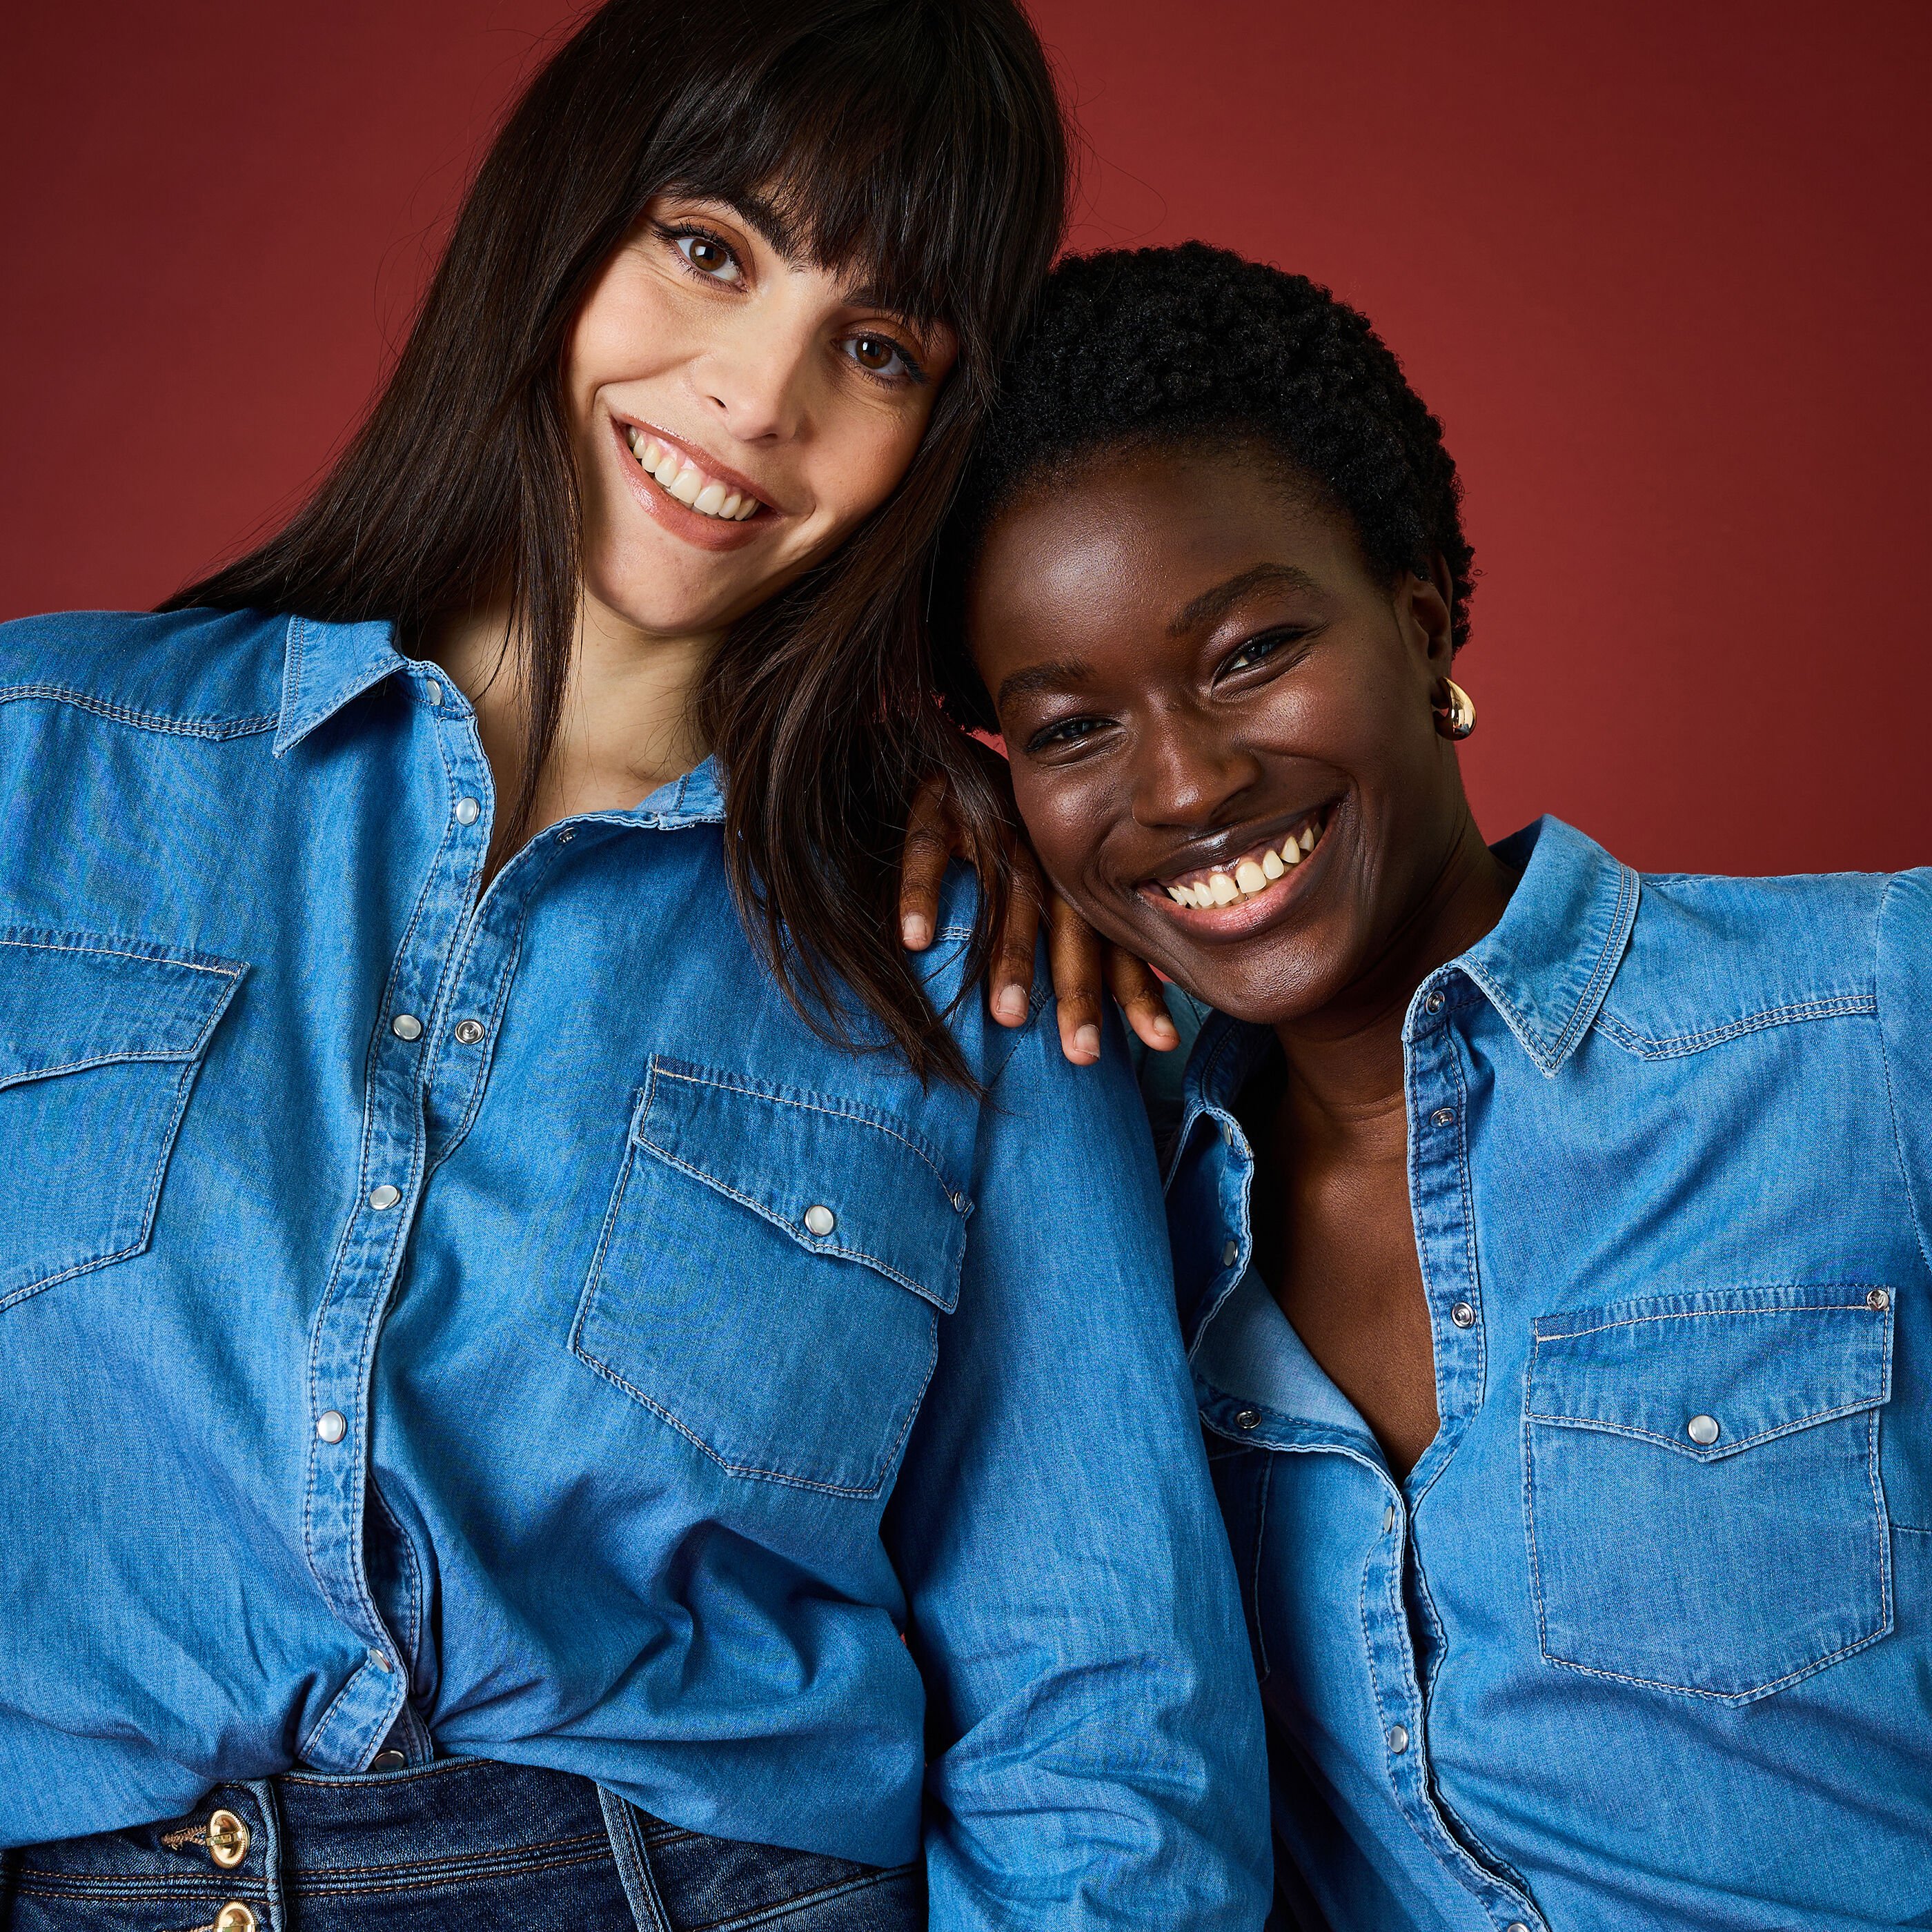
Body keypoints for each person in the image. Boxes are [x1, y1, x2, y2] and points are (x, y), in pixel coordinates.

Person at [0, 14, 1271, 1926]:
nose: (758, 399)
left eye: (876, 347)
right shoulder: (38, 761)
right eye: (710, 247)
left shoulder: (955, 951)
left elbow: (1108, 1707)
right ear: (562, 224)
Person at [912, 241, 1932, 1931]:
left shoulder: (1865, 1022)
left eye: (1245, 652)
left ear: (1419, 616)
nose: (1185, 780)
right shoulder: (1103, 1215)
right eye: (1073, 729)